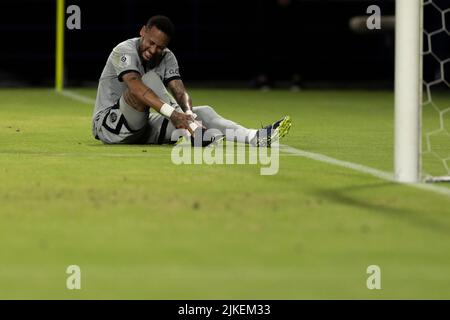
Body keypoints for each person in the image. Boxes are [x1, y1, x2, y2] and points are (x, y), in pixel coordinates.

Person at [92, 15, 291, 147]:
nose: (154, 50)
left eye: (160, 47)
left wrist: (188, 113)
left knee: (202, 112)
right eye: (151, 43)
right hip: (110, 126)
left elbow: (179, 91)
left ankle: (255, 137)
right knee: (148, 79)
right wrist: (176, 115)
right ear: (142, 31)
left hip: (141, 128)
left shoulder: (167, 56)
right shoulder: (124, 50)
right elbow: (136, 87)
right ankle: (194, 132)